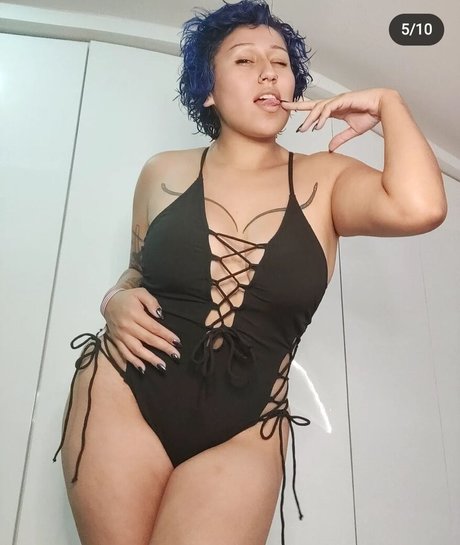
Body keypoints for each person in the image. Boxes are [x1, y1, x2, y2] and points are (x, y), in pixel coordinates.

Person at [52, 1, 447, 544]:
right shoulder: (163, 171)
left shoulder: (327, 179)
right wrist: (114, 300)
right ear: (208, 91)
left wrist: (389, 102)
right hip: (125, 391)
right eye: (244, 60)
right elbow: (136, 272)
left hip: (247, 426)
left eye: (280, 62)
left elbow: (421, 207)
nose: (268, 72)